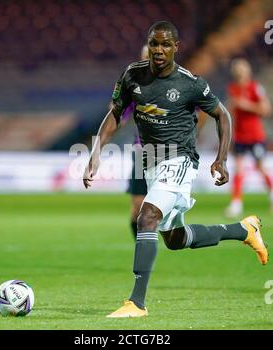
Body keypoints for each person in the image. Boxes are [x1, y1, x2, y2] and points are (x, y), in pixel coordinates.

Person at [83, 21, 268, 318]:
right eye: (154, 43)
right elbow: (116, 113)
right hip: (151, 161)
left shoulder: (190, 83)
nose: (158, 50)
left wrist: (220, 159)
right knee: (175, 239)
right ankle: (244, 230)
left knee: (147, 217)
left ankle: (136, 303)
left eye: (165, 44)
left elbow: (222, 116)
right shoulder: (133, 75)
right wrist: (96, 152)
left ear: (175, 48)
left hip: (180, 159)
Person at [225, 58, 272, 218]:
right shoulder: (232, 88)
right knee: (237, 168)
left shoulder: (255, 88)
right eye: (236, 69)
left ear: (247, 71)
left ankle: (271, 193)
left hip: (255, 135)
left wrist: (247, 105)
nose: (238, 72)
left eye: (241, 69)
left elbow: (266, 109)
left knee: (260, 167)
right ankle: (236, 203)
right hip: (240, 135)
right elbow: (232, 111)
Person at [122, 45, 148, 240]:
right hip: (141, 150)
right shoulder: (134, 87)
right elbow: (121, 114)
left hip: (168, 151)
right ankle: (141, 244)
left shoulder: (175, 84)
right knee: (138, 206)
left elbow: (200, 109)